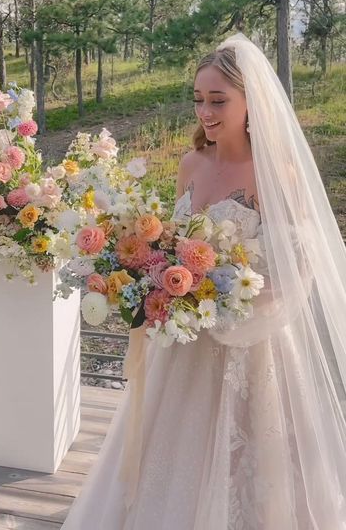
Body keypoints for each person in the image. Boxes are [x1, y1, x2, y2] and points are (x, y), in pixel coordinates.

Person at [61, 33, 346, 529]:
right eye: (199, 100)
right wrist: (160, 285)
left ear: (250, 103)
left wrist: (232, 302)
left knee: (249, 463)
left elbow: (298, 269)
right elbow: (174, 239)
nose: (205, 112)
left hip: (252, 348)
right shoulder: (191, 163)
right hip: (186, 343)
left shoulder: (276, 173)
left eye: (218, 100)